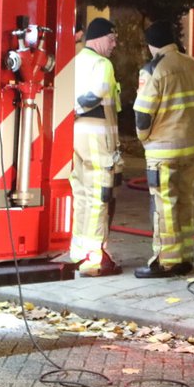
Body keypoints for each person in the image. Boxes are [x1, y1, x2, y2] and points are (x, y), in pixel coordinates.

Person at [133, 19, 194, 278]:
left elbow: (143, 115)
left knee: (164, 206)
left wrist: (145, 139)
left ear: (151, 45)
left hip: (162, 151)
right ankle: (185, 255)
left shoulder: (154, 69)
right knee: (186, 203)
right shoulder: (193, 64)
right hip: (191, 148)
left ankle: (166, 261)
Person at [70, 17, 121, 276]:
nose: (114, 44)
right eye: (111, 39)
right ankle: (94, 259)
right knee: (99, 197)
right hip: (97, 140)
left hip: (76, 138)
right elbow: (98, 94)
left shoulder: (75, 61)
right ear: (98, 39)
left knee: (81, 194)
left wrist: (71, 114)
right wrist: (76, 110)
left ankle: (79, 253)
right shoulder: (103, 64)